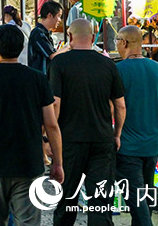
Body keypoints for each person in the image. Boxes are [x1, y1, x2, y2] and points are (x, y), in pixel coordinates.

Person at [0, 25, 64, 225]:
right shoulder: (37, 79)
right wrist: (58, 162)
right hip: (29, 162)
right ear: (21, 49)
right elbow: (52, 125)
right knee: (28, 221)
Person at [51, 19, 125, 225]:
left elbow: (54, 105)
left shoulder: (59, 63)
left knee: (66, 201)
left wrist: (48, 138)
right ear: (93, 38)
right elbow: (120, 105)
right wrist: (116, 134)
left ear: (70, 37)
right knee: (100, 202)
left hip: (69, 141)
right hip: (102, 140)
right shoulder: (108, 64)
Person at [115, 25, 158, 226]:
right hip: (152, 144)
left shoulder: (118, 70)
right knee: (145, 194)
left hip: (127, 146)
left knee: (136, 198)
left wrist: (114, 135)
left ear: (124, 42)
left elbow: (116, 107)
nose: (116, 44)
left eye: (117, 40)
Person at [27, 0, 66, 76]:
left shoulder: (46, 33)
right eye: (59, 16)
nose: (59, 20)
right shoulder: (38, 33)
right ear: (49, 15)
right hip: (39, 78)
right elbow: (52, 56)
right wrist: (69, 46)